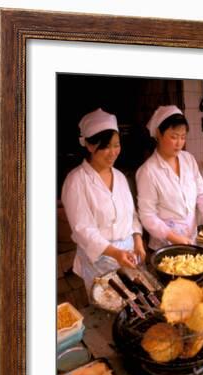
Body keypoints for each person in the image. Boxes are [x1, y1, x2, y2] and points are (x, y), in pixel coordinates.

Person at [61, 108, 145, 295]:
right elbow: (83, 230)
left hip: (128, 256)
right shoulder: (76, 181)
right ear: (90, 146)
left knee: (133, 304)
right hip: (99, 260)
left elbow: (131, 216)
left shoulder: (121, 177)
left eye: (116, 145)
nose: (113, 152)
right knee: (106, 306)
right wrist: (115, 253)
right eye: (105, 146)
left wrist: (138, 240)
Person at [136, 105, 203, 250]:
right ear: (158, 134)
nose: (179, 143)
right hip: (164, 246)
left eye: (183, 137)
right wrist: (172, 237)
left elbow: (201, 194)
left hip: (190, 239)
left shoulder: (188, 160)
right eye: (173, 137)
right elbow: (147, 216)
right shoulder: (148, 172)